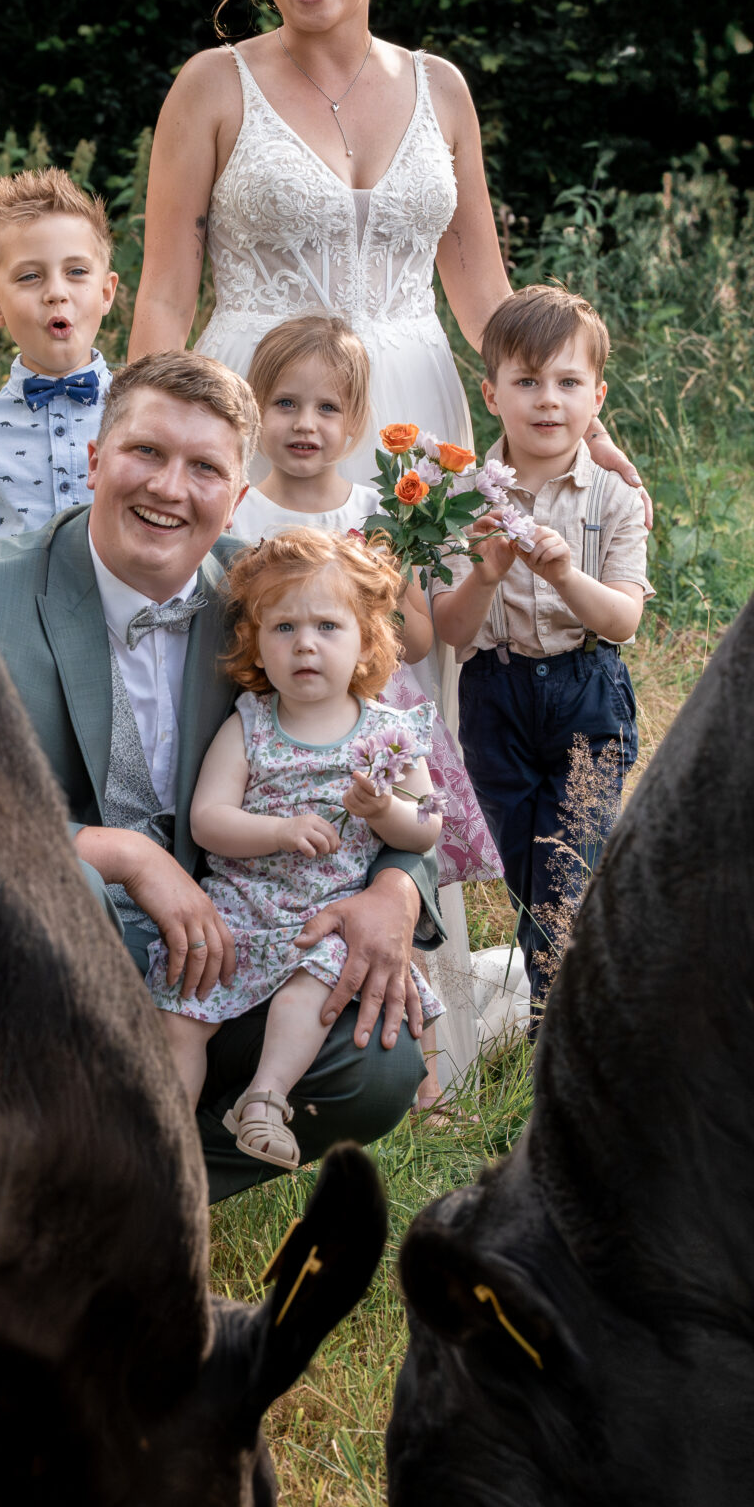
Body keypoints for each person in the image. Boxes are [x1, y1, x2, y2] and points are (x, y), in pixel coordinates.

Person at [128, 0, 642, 1079]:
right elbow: (160, 292)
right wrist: (153, 430)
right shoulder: (212, 85)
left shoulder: (442, 86)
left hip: (414, 417)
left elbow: (482, 284)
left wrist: (582, 426)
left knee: (419, 684)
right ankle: (244, 971)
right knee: (269, 665)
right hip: (267, 409)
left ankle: (415, 989)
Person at [0, 350, 440, 1202]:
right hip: (51, 957)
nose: (170, 488)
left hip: (233, 952)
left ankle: (128, 1194)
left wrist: (395, 888)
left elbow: (375, 753)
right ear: (95, 459)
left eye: (204, 467)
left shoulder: (277, 599)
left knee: (374, 1069)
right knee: (66, 901)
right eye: (145, 454)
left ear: (236, 495)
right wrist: (120, 855)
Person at [228, 313, 501, 1116]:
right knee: (295, 888)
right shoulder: (239, 512)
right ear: (254, 409)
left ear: (355, 423)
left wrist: (387, 600)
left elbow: (415, 635)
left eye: (326, 409)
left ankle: (424, 1076)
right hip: (281, 743)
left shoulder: (378, 510)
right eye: (284, 404)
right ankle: (281, 1060)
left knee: (394, 893)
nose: (305, 425)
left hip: (374, 737)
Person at [150, 529, 444, 1172]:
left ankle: (264, 1098)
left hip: (330, 915)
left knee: (314, 981)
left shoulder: (391, 734)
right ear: (256, 642)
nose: (304, 643)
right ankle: (165, 1142)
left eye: (328, 626)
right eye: (282, 628)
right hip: (241, 907)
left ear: (368, 639)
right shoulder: (250, 723)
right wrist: (278, 831)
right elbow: (209, 821)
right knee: (184, 1007)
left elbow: (427, 830)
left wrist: (384, 811)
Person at [433, 286, 651, 1016]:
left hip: (586, 689)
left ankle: (560, 1023)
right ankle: (574, 1003)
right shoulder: (458, 499)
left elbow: (622, 621)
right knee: (529, 872)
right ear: (491, 394)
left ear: (596, 398)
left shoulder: (613, 497)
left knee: (570, 867)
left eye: (567, 383)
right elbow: (451, 632)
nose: (547, 401)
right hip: (493, 698)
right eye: (526, 382)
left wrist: (563, 573)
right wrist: (486, 572)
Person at [0, 168, 118, 553]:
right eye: (30, 276)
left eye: (76, 271)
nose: (56, 293)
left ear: (105, 292)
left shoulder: (144, 413)